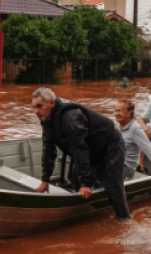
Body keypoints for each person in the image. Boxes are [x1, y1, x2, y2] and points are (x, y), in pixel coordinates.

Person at [32, 87, 130, 220]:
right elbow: (48, 150)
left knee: (112, 184)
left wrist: (86, 184)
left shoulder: (70, 118)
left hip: (110, 146)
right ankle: (92, 212)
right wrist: (45, 180)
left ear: (52, 103)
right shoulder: (47, 119)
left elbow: (79, 149)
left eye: (39, 106)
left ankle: (124, 220)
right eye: (34, 107)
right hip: (92, 149)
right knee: (74, 178)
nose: (36, 111)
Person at [114, 99, 151, 180]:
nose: (116, 114)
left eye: (119, 111)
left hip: (126, 168)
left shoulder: (135, 129)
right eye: (115, 111)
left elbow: (148, 149)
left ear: (130, 112)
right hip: (116, 163)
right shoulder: (117, 128)